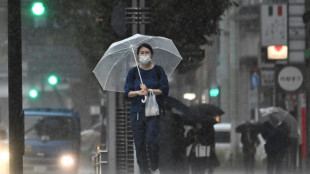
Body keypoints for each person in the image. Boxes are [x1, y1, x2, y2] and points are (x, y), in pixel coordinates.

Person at [124, 43, 169, 174]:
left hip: (152, 112)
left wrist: (150, 91)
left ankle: (155, 167)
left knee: (152, 141)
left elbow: (163, 90)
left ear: (151, 55)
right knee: (139, 144)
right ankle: (144, 171)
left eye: (147, 52)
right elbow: (127, 93)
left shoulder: (158, 70)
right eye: (142, 53)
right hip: (136, 113)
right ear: (137, 55)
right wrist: (138, 92)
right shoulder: (133, 72)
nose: (144, 55)